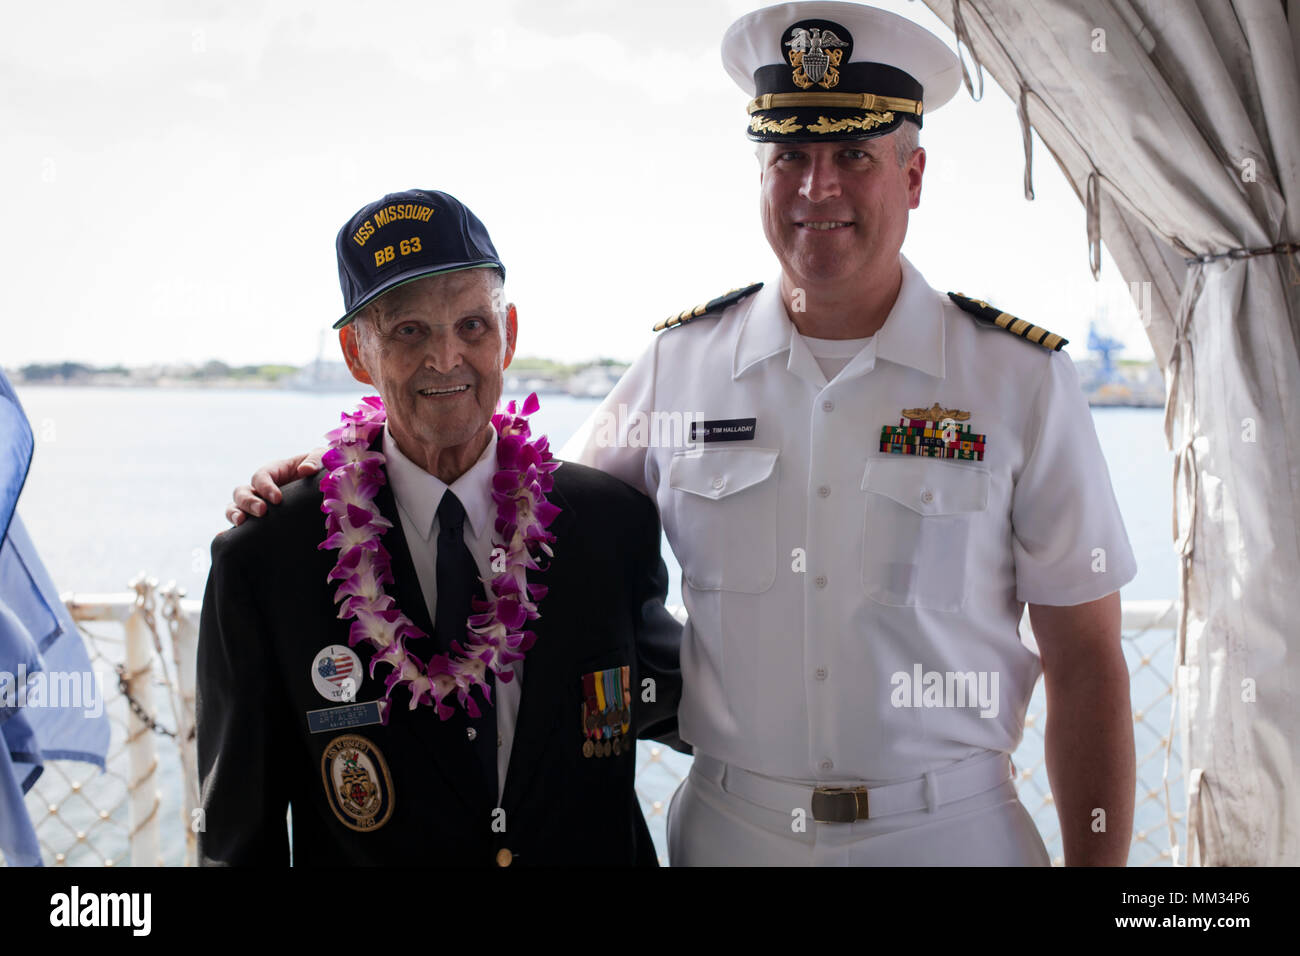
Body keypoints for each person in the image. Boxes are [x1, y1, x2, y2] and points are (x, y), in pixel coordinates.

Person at [231, 2, 1139, 867]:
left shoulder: (1020, 381)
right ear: (760, 174)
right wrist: (341, 477)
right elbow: (519, 500)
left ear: (912, 174)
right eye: (788, 154)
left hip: (949, 835)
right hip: (735, 835)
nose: (818, 187)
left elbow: (1088, 662)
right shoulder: (681, 365)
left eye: (854, 153)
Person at [198, 188, 682, 867]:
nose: (446, 358)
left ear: (508, 332)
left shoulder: (610, 524)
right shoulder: (267, 557)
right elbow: (236, 841)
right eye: (409, 331)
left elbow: (700, 703)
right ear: (356, 352)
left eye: (472, 326)